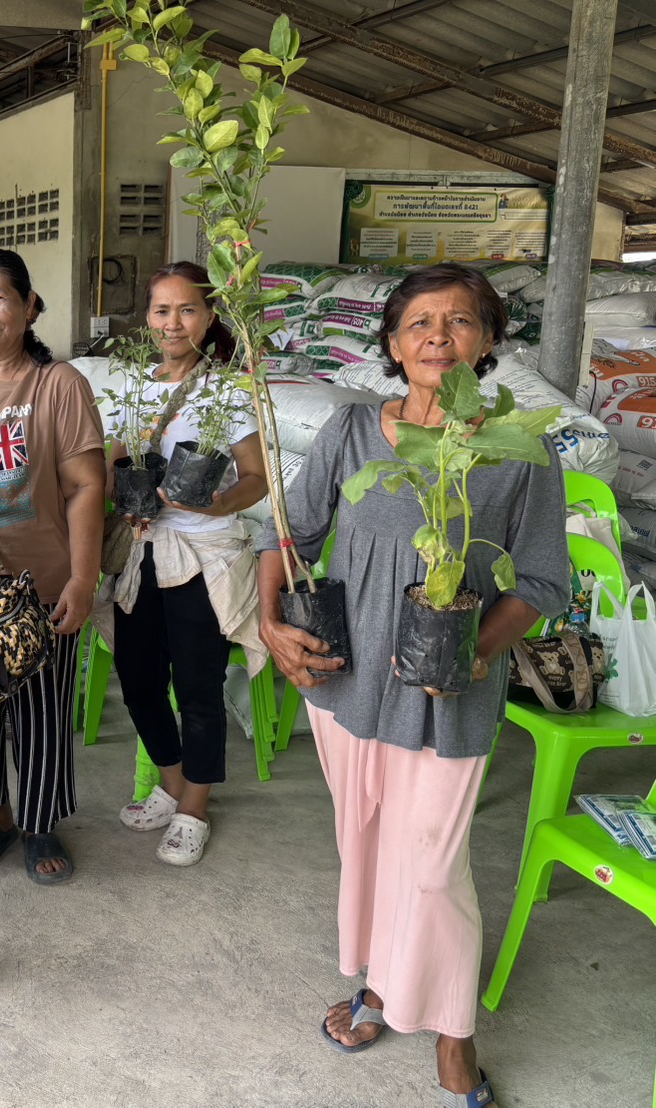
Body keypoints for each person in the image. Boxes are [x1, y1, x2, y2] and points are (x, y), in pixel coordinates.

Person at [255, 263, 568, 1107]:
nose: (438, 336)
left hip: (447, 691)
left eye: (459, 320)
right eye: (418, 323)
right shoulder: (353, 431)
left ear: (488, 340)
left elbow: (542, 579)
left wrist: (475, 653)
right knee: (365, 845)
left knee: (432, 866)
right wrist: (270, 623)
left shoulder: (517, 449)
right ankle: (380, 986)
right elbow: (288, 534)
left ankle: (454, 1031)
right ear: (391, 345)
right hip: (347, 682)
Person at [0, 250, 104, 884]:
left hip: (41, 579)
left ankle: (40, 824)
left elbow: (86, 487)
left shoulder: (58, 384)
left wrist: (83, 579)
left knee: (41, 714)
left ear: (30, 306)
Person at [107, 261, 268, 867]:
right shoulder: (133, 386)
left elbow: (255, 477)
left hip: (203, 556)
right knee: (138, 678)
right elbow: (113, 464)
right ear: (146, 317)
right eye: (161, 310)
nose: (173, 323)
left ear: (209, 316)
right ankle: (173, 786)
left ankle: (195, 808)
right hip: (142, 553)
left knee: (198, 687)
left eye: (187, 309)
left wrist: (216, 501)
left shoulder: (227, 392)